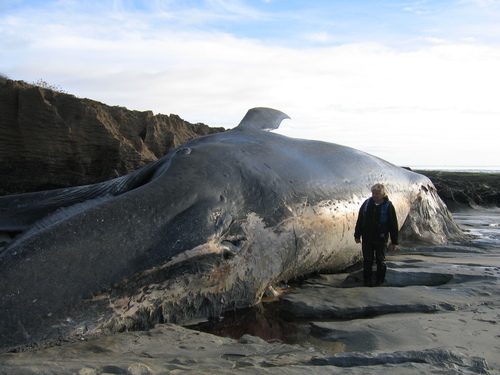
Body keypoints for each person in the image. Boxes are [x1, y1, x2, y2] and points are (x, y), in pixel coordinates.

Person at [354, 183, 398, 287]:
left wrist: (394, 241)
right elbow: (360, 219)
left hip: (381, 238)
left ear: (383, 194)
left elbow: (393, 224)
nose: (374, 195)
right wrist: (357, 235)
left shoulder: (388, 206)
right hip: (367, 237)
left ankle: (379, 282)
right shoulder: (367, 204)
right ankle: (367, 281)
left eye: (377, 193)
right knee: (367, 260)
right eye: (373, 193)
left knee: (380, 261)